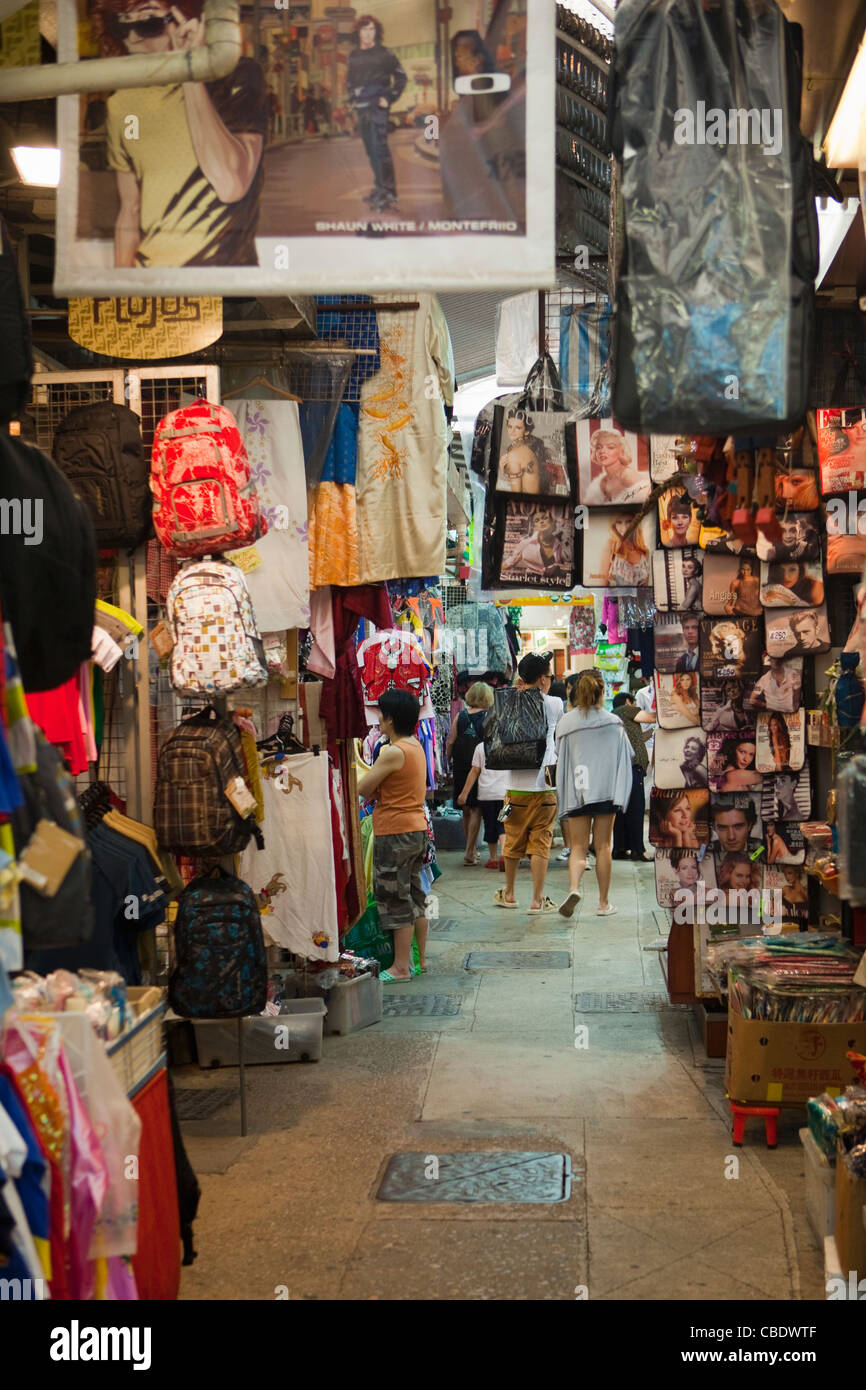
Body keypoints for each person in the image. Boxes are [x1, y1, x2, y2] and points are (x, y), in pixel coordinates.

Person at [97, 0, 267, 267]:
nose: (132, 39)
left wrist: (190, 73)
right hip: (152, 280)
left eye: (149, 23)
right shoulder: (123, 103)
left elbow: (231, 185)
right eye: (121, 26)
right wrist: (122, 288)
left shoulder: (235, 76)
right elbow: (129, 209)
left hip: (223, 280)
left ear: (188, 19)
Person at [357, 689, 429, 982]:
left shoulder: (393, 751)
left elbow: (364, 788)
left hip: (395, 831)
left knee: (395, 899)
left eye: (382, 715)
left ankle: (400, 967)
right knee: (415, 896)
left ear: (390, 719)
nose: (379, 721)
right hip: (416, 828)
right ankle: (419, 960)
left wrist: (372, 788)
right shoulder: (416, 747)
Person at [554, 670, 633, 916]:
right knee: (603, 846)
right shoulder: (613, 722)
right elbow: (627, 755)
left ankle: (575, 887)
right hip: (606, 792)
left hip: (578, 790)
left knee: (578, 846)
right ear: (602, 693)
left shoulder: (567, 722)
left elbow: (559, 754)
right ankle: (603, 903)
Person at [493, 653, 562, 914]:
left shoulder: (509, 700)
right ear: (544, 678)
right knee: (540, 841)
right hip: (545, 786)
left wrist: (517, 689)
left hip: (513, 789)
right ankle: (537, 899)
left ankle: (509, 893)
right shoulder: (554, 703)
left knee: (511, 838)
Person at [346, 14, 407, 212]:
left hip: (378, 108)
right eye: (364, 29)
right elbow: (350, 81)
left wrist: (388, 98)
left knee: (380, 148)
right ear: (358, 32)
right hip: (361, 108)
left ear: (377, 32)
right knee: (371, 150)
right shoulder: (354, 56)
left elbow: (401, 78)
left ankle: (388, 193)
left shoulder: (385, 54)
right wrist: (352, 101)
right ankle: (380, 188)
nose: (368, 33)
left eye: (371, 29)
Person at [446, 680, 491, 865]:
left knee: (465, 808)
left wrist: (447, 762)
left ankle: (470, 849)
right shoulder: (488, 716)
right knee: (476, 809)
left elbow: (450, 741)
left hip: (461, 765)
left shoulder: (461, 716)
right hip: (479, 767)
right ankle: (469, 851)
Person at [457, 730, 507, 870]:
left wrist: (464, 793)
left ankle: (493, 858)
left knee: (490, 825)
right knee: (504, 823)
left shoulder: (481, 747)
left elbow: (474, 771)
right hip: (506, 796)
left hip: (487, 796)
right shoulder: (509, 744)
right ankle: (504, 853)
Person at [611, 692, 651, 861]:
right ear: (628, 701)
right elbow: (650, 717)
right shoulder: (625, 709)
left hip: (623, 768)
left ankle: (620, 848)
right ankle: (638, 850)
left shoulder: (618, 717)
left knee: (622, 810)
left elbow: (638, 739)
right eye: (634, 702)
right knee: (636, 808)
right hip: (632, 768)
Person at [582, 429, 649, 505]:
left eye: (610, 447)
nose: (602, 451)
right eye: (598, 447)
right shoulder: (602, 482)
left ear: (621, 451)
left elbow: (646, 502)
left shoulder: (628, 476)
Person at [601, 516, 651, 587]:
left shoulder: (644, 551)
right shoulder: (611, 546)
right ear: (614, 525)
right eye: (619, 522)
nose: (624, 528)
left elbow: (645, 589)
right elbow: (602, 587)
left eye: (629, 521)